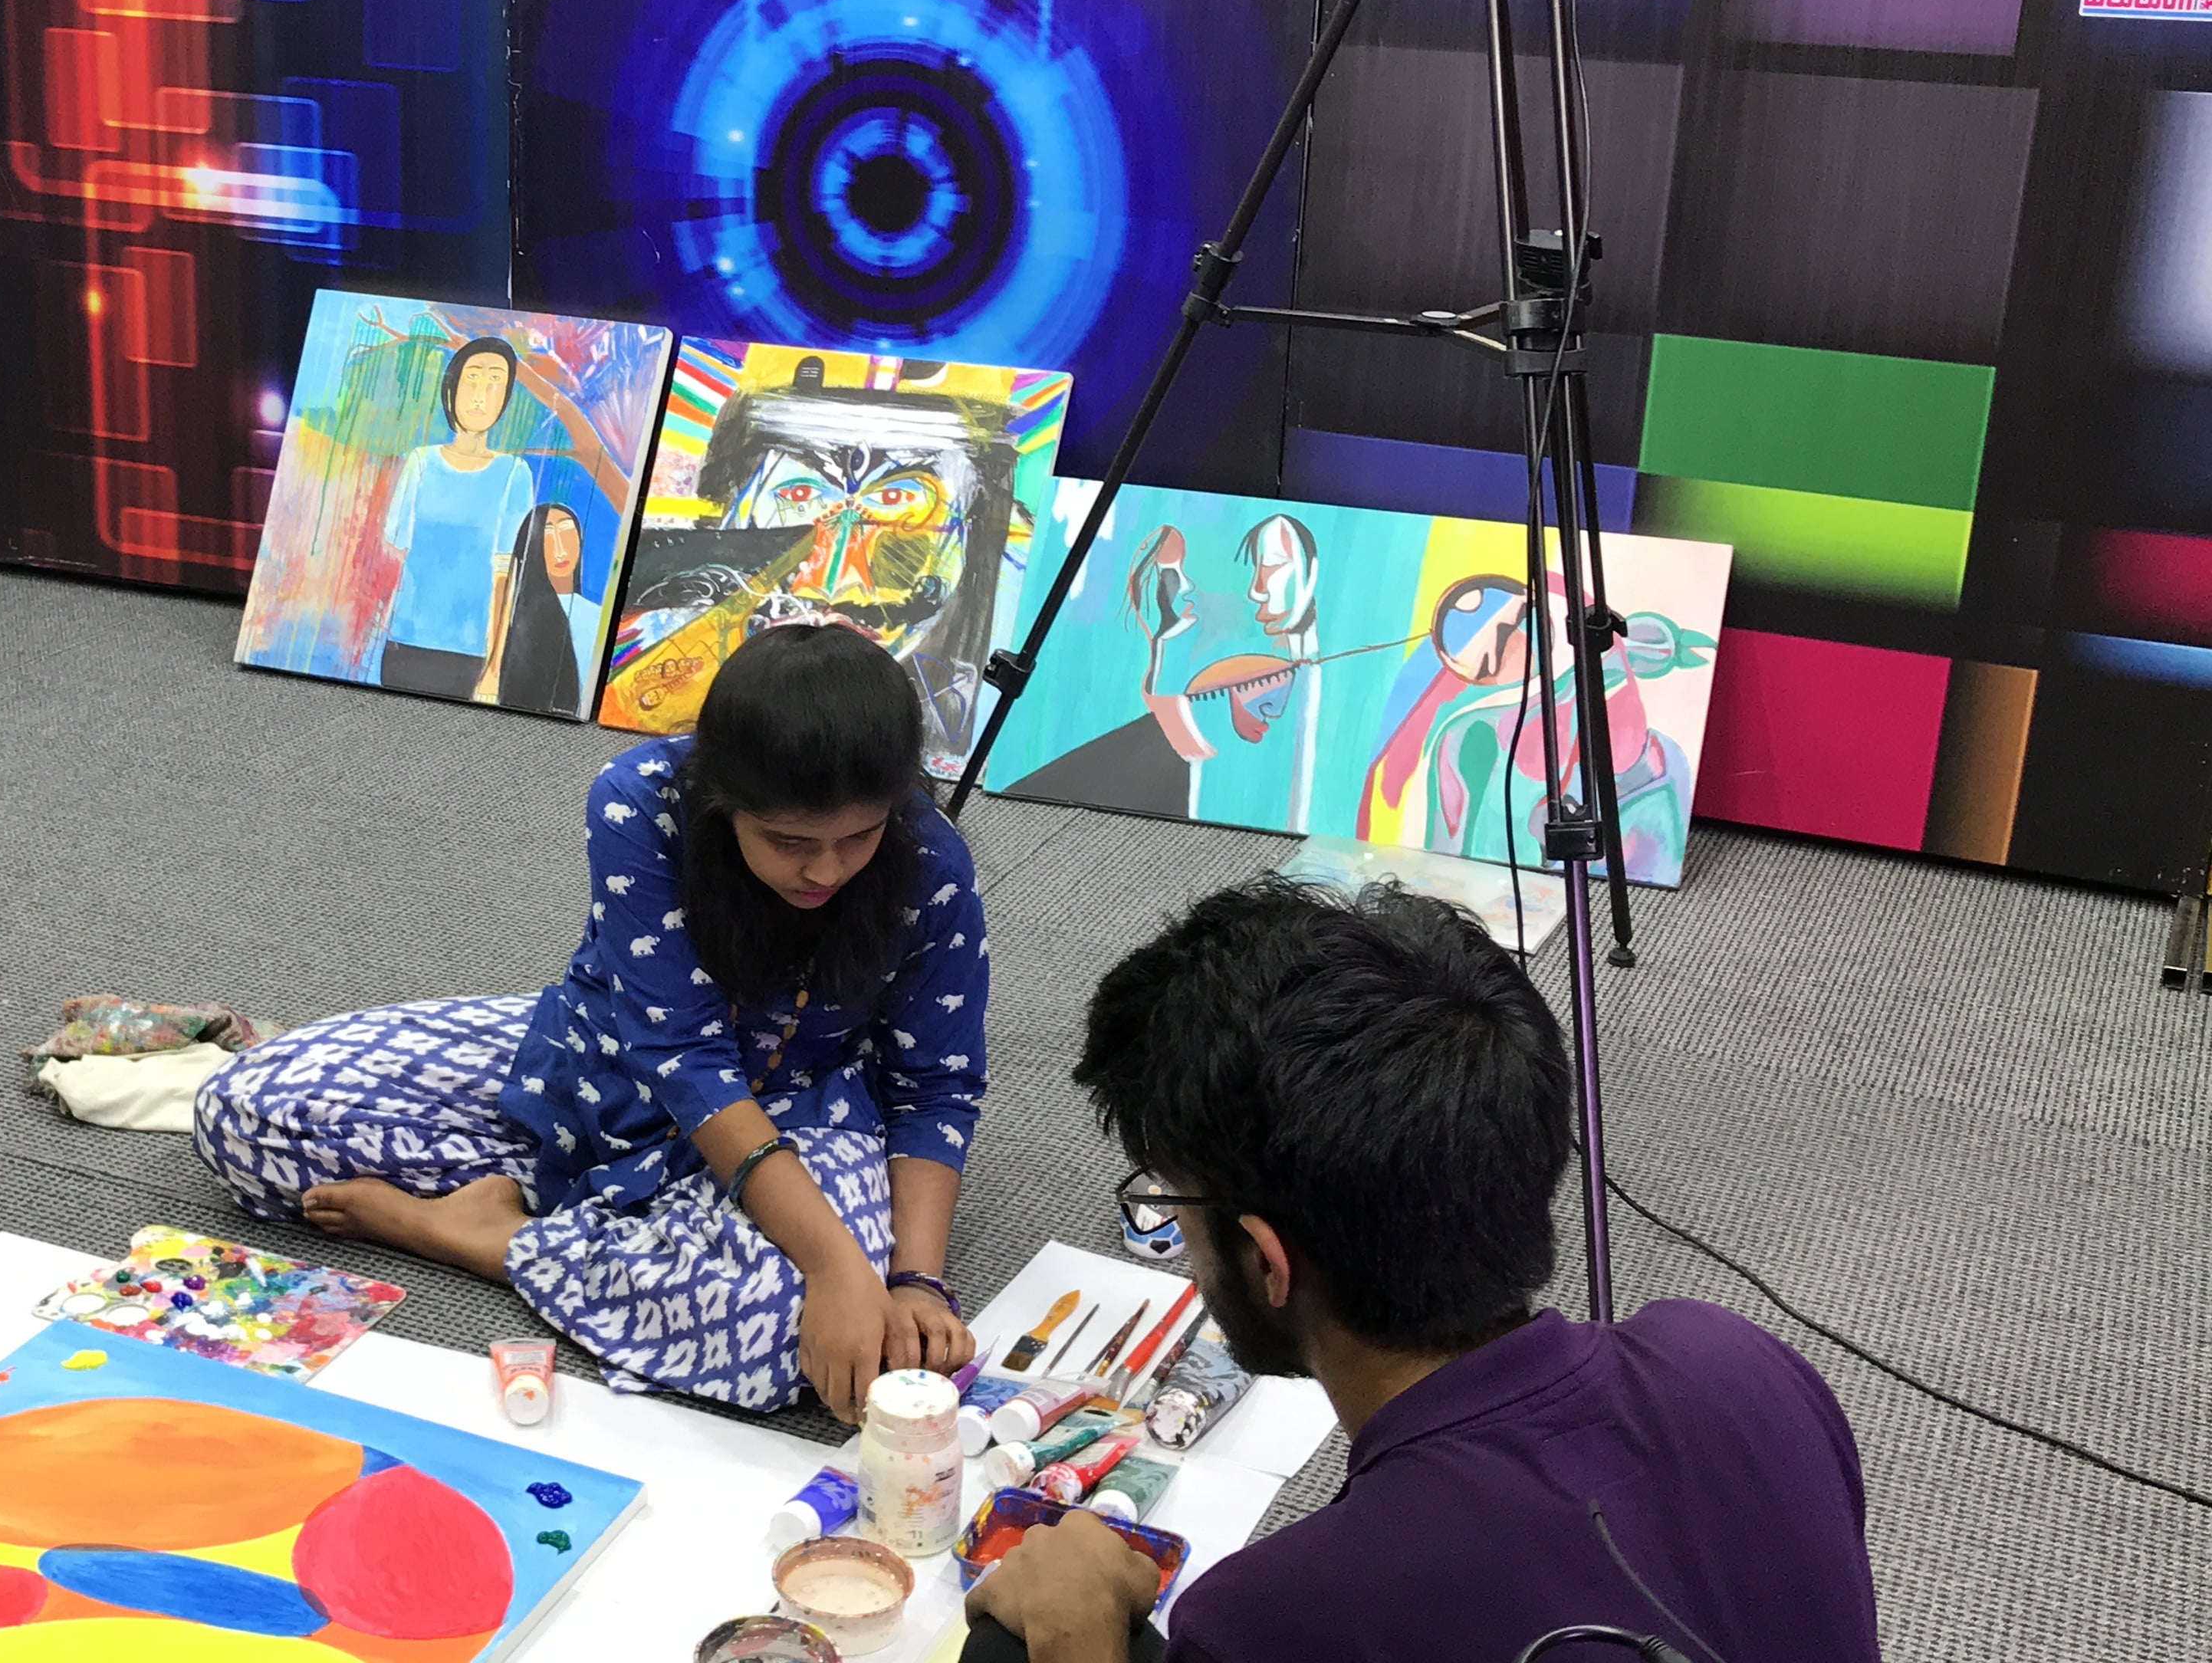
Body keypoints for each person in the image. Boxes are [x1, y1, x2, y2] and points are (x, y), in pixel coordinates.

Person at [966, 879, 1879, 1663]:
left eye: (1176, 1204)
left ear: (1268, 1262)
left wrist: (1080, 1636)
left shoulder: (1278, 1617)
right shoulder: (1737, 1360)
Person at [192, 625, 988, 1418]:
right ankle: (589, 1236)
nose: (826, 868)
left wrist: (913, 1282)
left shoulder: (931, 861)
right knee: (245, 1111)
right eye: (789, 841)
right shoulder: (640, 799)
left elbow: (934, 1089)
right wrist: (836, 1265)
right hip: (600, 1066)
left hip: (800, 1105)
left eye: (859, 836)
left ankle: (500, 1238)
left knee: (800, 1337)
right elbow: (684, 1056)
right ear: (723, 802)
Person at [377, 337, 536, 698]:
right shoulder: (420, 463)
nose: (481, 395)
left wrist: (495, 668)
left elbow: (506, 579)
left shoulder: (515, 475)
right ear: (451, 389)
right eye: (472, 379)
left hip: (468, 652)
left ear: (506, 397)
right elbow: (395, 556)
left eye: (495, 382)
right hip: (405, 640)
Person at [495, 503, 600, 716]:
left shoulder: (596, 616)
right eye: (548, 536)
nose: (560, 551)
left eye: (566, 531)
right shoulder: (516, 618)